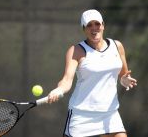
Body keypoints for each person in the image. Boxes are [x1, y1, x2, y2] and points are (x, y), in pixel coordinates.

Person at [48, 9, 137, 137]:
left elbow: (123, 74)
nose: (94, 28)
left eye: (97, 24)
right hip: (82, 114)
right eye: (89, 25)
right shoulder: (76, 50)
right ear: (84, 29)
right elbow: (67, 80)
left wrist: (124, 80)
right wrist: (59, 90)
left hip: (109, 113)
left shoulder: (117, 46)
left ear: (103, 25)